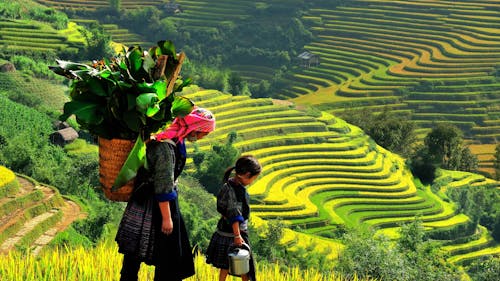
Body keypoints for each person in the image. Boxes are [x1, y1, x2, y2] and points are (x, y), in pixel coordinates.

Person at [115, 107, 216, 281]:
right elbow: (163, 183)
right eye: (202, 133)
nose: (201, 138)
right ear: (195, 129)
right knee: (146, 255)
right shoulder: (166, 147)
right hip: (152, 202)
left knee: (140, 253)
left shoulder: (176, 139)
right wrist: (167, 218)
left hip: (154, 200)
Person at [206, 155, 262, 281]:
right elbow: (234, 214)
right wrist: (237, 236)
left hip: (223, 230)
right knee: (246, 266)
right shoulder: (235, 190)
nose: (253, 180)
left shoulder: (228, 184)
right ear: (246, 175)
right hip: (236, 233)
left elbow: (223, 209)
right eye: (254, 178)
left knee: (225, 264)